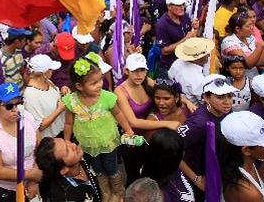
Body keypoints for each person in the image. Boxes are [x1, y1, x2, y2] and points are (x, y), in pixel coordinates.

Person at [63, 51, 133, 202]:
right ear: (79, 86)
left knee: (111, 166)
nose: (99, 85)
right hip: (88, 142)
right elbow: (68, 123)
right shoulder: (72, 101)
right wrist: (67, 140)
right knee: (97, 167)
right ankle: (105, 190)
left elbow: (119, 114)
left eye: (100, 80)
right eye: (93, 83)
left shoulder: (106, 97)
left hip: (107, 140)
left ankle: (117, 191)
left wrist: (127, 129)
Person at [115, 53, 181, 185]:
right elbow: (133, 121)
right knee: (134, 174)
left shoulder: (146, 81)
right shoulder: (120, 91)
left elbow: (166, 90)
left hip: (150, 136)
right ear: (126, 71)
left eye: (142, 70)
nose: (139, 74)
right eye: (135, 71)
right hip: (132, 139)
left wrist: (184, 100)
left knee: (151, 170)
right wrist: (167, 123)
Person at [177, 74, 237, 201]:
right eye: (220, 97)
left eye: (230, 95)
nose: (227, 102)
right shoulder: (198, 124)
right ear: (206, 97)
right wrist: (195, 178)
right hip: (198, 180)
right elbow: (172, 151)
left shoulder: (227, 111)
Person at [0, 82, 42, 201]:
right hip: (8, 191)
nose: (15, 110)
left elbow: (39, 148)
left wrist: (33, 181)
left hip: (34, 182)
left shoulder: (27, 117)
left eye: (19, 104)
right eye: (9, 106)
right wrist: (31, 175)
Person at [35, 137, 102, 202]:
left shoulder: (78, 156)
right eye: (67, 151)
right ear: (64, 170)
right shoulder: (68, 197)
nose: (73, 145)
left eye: (66, 141)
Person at [23, 54, 66, 138]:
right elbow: (40, 126)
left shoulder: (48, 81)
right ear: (44, 73)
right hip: (50, 140)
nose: (52, 71)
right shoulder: (30, 95)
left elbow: (55, 98)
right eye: (50, 69)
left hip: (60, 131)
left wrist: (63, 90)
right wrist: (59, 109)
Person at [155, 0, 198, 73]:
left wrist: (195, 28)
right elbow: (164, 51)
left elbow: (191, 34)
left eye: (183, 4)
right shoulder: (162, 24)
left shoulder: (184, 16)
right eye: (178, 5)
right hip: (171, 66)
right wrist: (185, 39)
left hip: (186, 62)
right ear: (169, 6)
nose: (182, 7)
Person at [221, 12, 264, 79]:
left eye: (252, 25)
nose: (252, 28)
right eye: (248, 26)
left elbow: (258, 63)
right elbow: (248, 64)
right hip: (237, 81)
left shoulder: (250, 38)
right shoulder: (228, 42)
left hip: (254, 78)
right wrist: (261, 45)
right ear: (237, 29)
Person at [168, 37, 214, 105]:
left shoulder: (177, 63)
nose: (208, 55)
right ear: (197, 58)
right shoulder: (197, 79)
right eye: (205, 53)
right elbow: (206, 102)